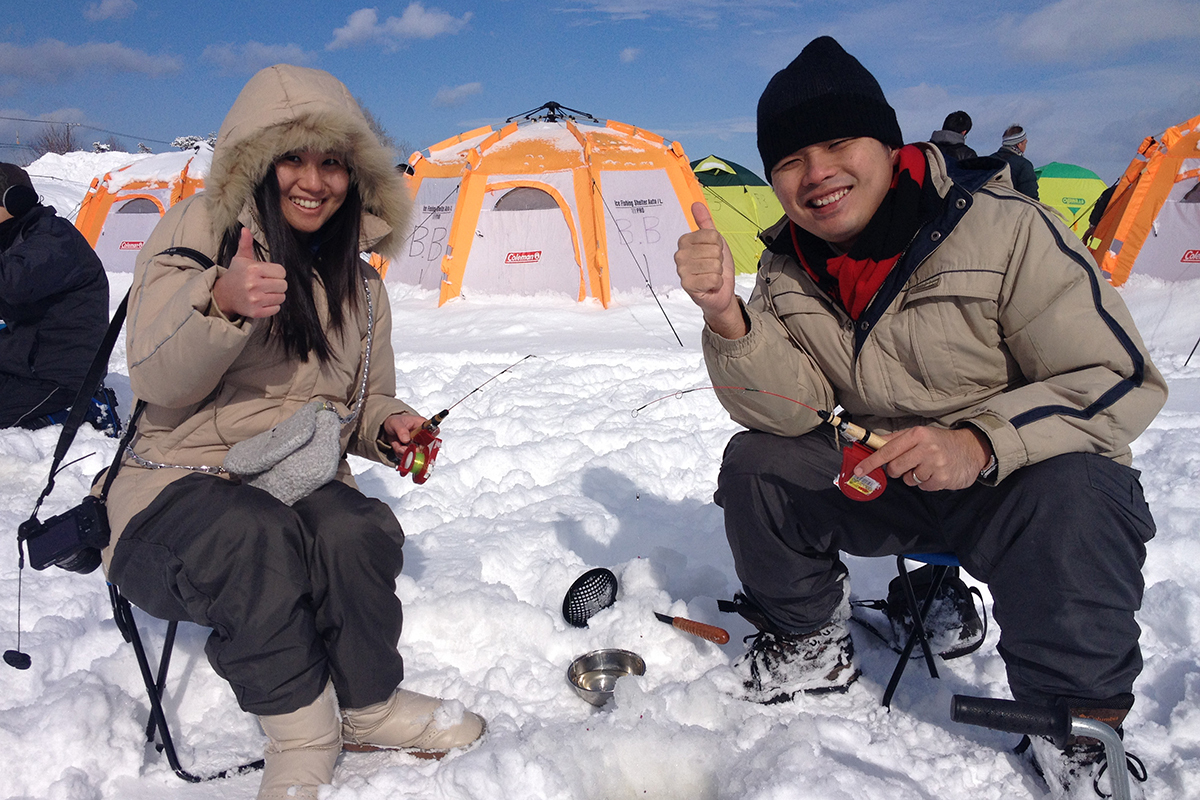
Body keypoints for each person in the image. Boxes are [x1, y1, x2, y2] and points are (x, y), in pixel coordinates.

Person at [674, 36, 1163, 798]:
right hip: (888, 476)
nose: (817, 175)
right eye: (790, 162)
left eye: (837, 144)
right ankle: (809, 642)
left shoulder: (1005, 227)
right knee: (759, 465)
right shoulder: (787, 264)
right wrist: (726, 316)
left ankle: (1075, 725)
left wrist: (979, 442)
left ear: (888, 143)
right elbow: (787, 407)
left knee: (1081, 493)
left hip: (1021, 484)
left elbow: (1118, 378)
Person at [101, 64, 484, 800]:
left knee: (355, 527)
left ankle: (368, 706)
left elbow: (362, 400)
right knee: (252, 534)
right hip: (173, 490)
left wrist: (389, 426)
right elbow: (155, 380)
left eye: (334, 162)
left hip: (292, 479)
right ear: (256, 162)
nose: (315, 181)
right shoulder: (198, 234)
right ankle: (304, 730)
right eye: (293, 158)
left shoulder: (360, 285)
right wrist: (223, 302)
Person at [0, 163, 109, 429]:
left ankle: (85, 410)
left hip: (60, 375)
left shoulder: (53, 236)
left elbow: (13, 282)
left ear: (14, 201)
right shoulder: (15, 236)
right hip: (25, 357)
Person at [991, 124, 1040, 200]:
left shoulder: (989, 160)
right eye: (1024, 142)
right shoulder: (1024, 165)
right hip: (1012, 208)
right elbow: (1030, 197)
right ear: (1019, 144)